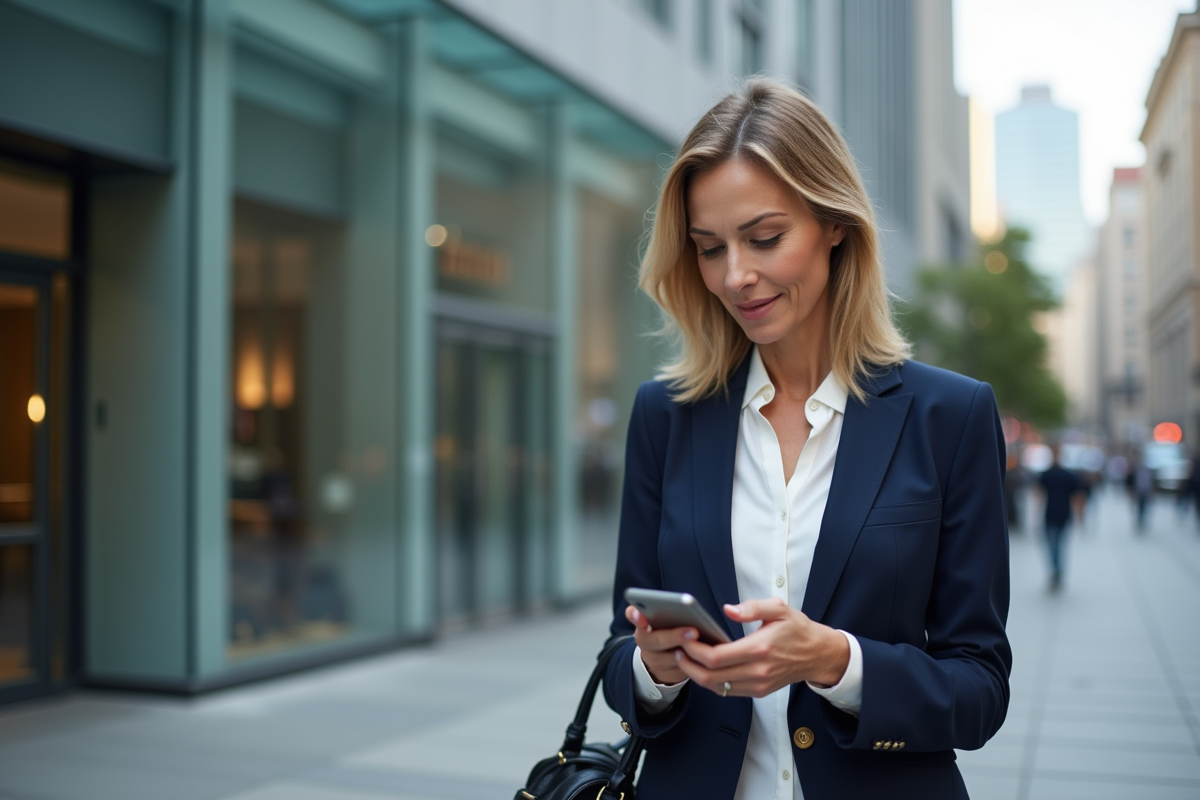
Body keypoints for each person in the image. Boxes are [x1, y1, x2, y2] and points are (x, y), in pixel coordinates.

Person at [602, 79, 1011, 800]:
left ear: (834, 224)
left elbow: (978, 689)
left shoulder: (950, 415)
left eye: (764, 238)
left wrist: (835, 661)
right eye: (708, 248)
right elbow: (618, 651)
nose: (736, 276)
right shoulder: (665, 414)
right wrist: (654, 669)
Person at [1036, 446, 1085, 592]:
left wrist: (1080, 515)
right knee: (1055, 545)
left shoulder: (1057, 475)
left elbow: (1078, 497)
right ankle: (1056, 571)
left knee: (1055, 545)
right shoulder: (1052, 475)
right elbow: (1039, 495)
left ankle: (1056, 571)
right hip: (1055, 514)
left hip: (1059, 515)